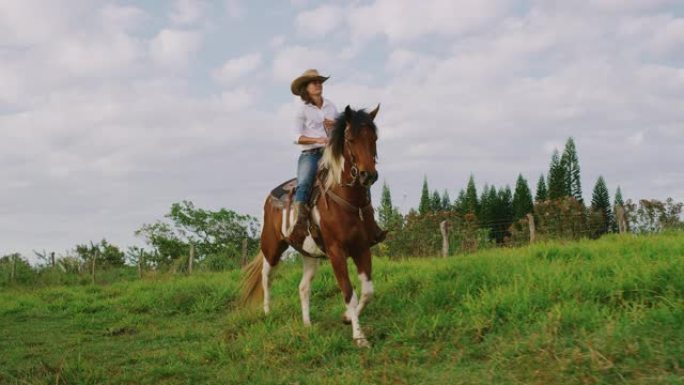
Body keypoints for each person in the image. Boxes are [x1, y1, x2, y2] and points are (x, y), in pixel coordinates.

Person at [287, 69, 386, 246]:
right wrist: (317, 139)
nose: (318, 85)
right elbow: (296, 137)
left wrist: (335, 125)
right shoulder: (301, 110)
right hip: (310, 153)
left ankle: (370, 222)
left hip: (331, 153)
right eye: (313, 82)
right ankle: (300, 224)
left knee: (359, 174)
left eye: (319, 82)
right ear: (305, 88)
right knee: (304, 182)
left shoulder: (330, 106)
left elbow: (341, 131)